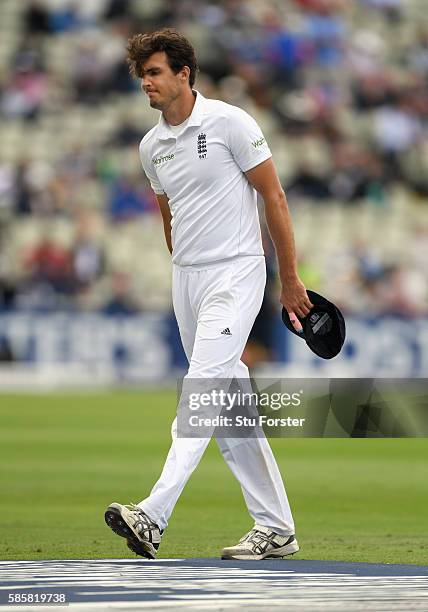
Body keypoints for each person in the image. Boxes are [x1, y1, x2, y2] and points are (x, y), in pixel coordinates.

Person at [105, 28, 313, 561]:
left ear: (183, 73)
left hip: (238, 273)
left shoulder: (230, 122)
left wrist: (288, 279)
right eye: (141, 74)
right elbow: (169, 219)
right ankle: (277, 529)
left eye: (154, 72)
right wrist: (184, 272)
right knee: (229, 408)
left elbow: (275, 197)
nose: (145, 82)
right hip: (188, 280)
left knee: (200, 392)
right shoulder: (152, 147)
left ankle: (152, 515)